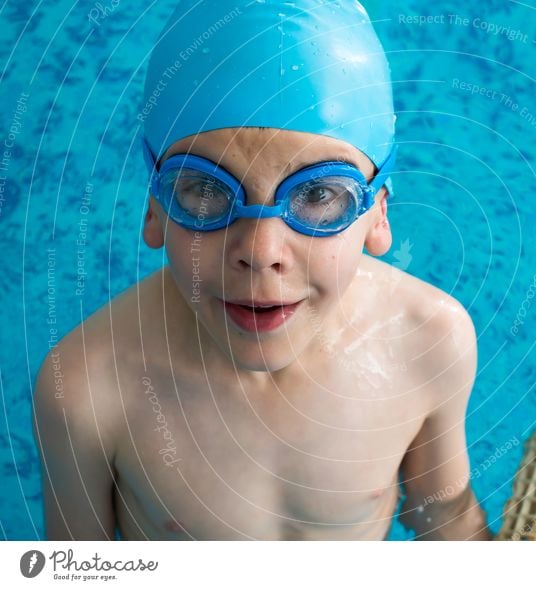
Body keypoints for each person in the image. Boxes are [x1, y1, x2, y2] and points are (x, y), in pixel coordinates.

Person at [33, 0, 490, 540]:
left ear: (378, 215)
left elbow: (444, 518)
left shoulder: (428, 339)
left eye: (319, 194)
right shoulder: (88, 387)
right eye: (205, 189)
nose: (261, 249)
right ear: (154, 210)